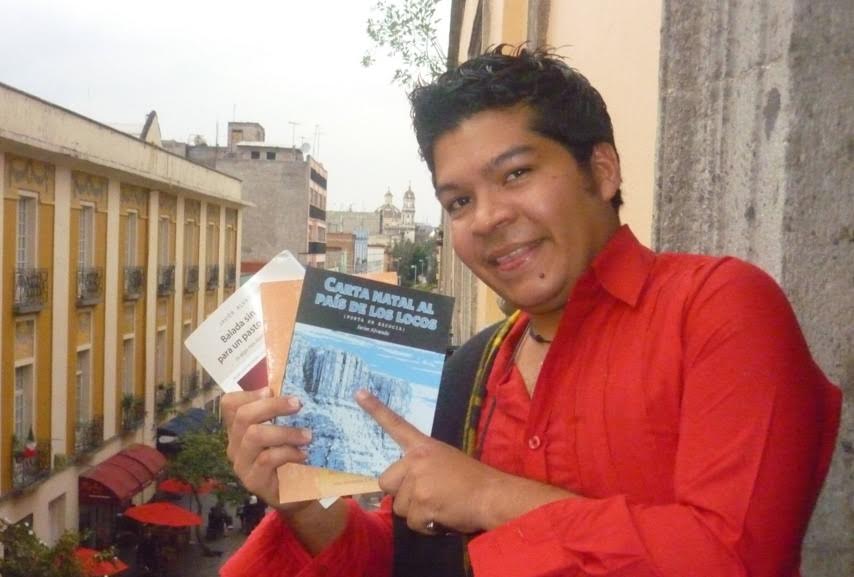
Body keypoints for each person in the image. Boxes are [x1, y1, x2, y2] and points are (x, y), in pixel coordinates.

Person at [219, 45, 841, 577]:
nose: (488, 218)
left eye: (516, 174)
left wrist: (491, 496)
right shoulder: (469, 372)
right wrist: (305, 503)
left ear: (602, 171)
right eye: (459, 201)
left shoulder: (716, 308)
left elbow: (735, 558)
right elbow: (412, 559)